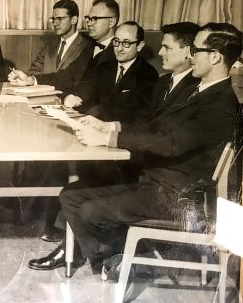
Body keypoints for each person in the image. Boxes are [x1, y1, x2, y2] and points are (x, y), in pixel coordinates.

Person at [28, 23, 241, 273]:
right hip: (152, 178)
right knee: (71, 195)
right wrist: (109, 128)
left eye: (195, 49)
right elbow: (151, 126)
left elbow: (170, 143)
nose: (191, 55)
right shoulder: (195, 90)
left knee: (89, 211)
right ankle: (107, 257)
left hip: (175, 195)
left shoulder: (221, 103)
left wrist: (109, 139)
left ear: (214, 56)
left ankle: (117, 257)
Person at [8, 0, 119, 96]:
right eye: (88, 19)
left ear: (111, 22)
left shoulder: (117, 52)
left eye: (95, 19)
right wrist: (30, 79)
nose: (89, 23)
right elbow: (66, 77)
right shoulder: (90, 50)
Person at [64, 21, 159, 123]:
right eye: (116, 41)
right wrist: (70, 97)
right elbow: (88, 91)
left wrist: (96, 113)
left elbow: (134, 114)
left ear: (139, 46)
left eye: (126, 43)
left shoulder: (148, 74)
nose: (119, 48)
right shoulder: (105, 67)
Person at [10, 0, 93, 92]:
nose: (55, 23)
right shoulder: (49, 45)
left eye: (60, 19)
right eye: (53, 19)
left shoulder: (87, 47)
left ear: (74, 20)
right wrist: (22, 77)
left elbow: (81, 82)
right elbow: (33, 70)